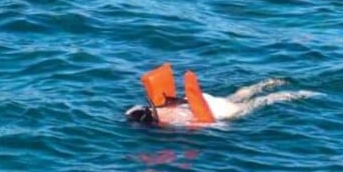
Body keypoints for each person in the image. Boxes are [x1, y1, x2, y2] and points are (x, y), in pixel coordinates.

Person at [124, 62, 317, 126]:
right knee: (240, 94)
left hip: (219, 113)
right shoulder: (159, 106)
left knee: (262, 101)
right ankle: (269, 82)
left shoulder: (168, 124)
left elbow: (203, 125)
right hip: (207, 100)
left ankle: (299, 94)